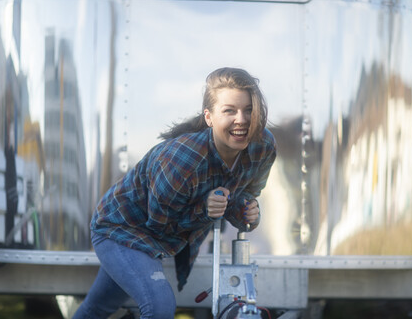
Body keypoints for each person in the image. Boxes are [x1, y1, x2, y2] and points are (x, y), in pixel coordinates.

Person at [73, 67, 277, 319]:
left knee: (98, 308)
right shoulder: (182, 161)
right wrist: (205, 209)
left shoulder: (263, 147)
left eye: (249, 110)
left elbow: (246, 193)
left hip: (157, 231)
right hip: (119, 228)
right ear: (209, 117)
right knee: (159, 307)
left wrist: (248, 210)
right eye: (229, 111)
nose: (242, 120)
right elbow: (161, 225)